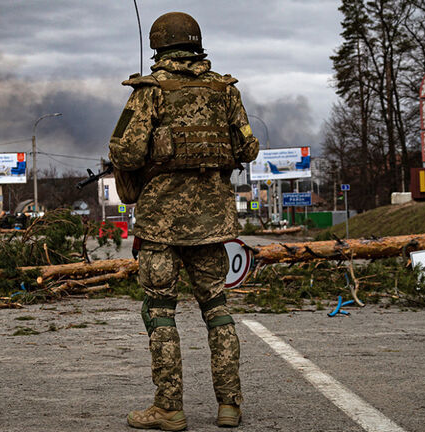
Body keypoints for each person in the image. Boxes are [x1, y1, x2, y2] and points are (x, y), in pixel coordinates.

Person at [108, 11, 259, 431]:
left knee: (160, 310)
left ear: (158, 46)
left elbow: (125, 153)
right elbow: (248, 148)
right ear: (197, 44)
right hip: (213, 221)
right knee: (217, 308)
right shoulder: (225, 90)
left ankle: (169, 408)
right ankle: (229, 405)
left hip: (160, 224)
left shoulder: (150, 91)